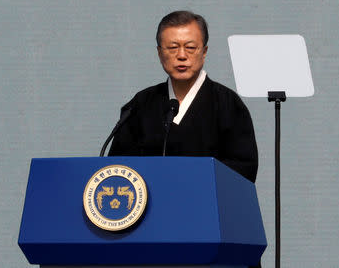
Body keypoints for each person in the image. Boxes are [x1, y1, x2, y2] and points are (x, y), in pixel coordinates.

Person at [108, 10, 258, 183]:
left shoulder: (228, 104)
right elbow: (117, 168)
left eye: (190, 48)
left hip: (206, 206)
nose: (181, 56)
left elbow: (243, 171)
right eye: (172, 48)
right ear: (159, 52)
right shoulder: (141, 104)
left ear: (204, 51)